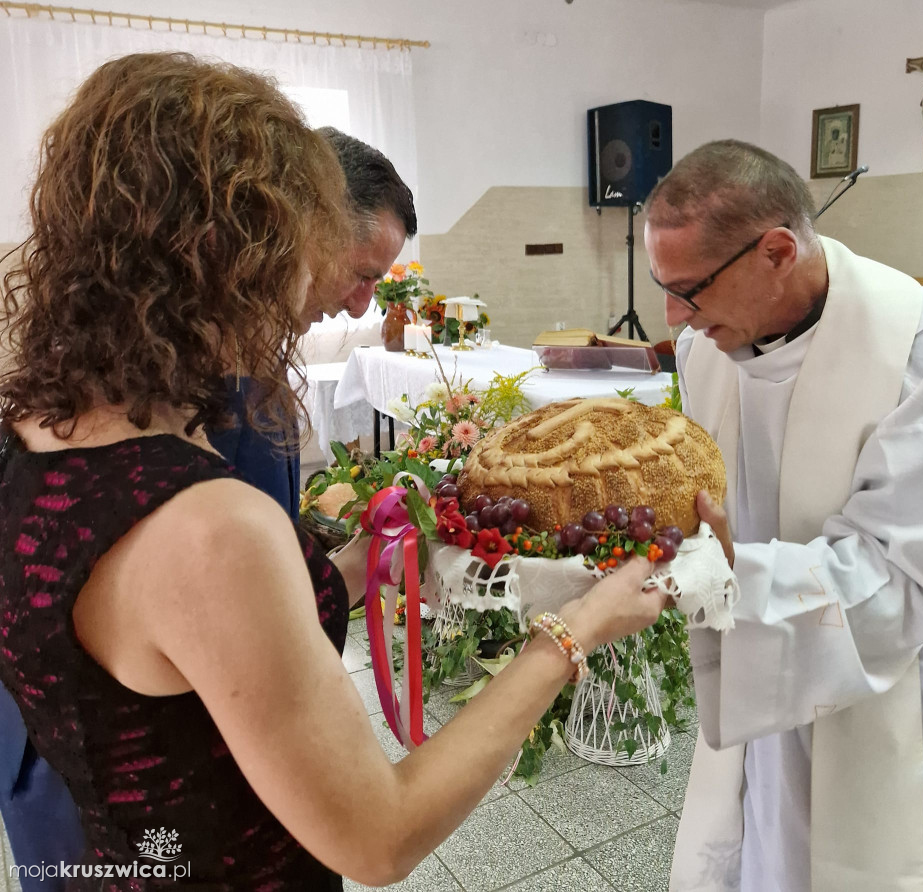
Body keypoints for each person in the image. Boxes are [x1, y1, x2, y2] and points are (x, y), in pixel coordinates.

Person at [0, 52, 667, 889]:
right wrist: (574, 633)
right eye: (303, 242)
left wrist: (365, 561)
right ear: (227, 250)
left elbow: (191, 649)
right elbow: (379, 836)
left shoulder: (42, 430)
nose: (314, 286)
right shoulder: (205, 524)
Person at [644, 139, 923, 892]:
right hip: (761, 673)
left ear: (777, 251)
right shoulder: (703, 346)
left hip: (892, 684)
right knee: (766, 850)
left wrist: (719, 575)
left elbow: (900, 575)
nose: (672, 314)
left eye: (689, 288)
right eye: (663, 286)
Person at [206, 128, 416, 520]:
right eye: (362, 275)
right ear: (307, 227)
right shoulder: (205, 371)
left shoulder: (260, 351)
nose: (359, 308)